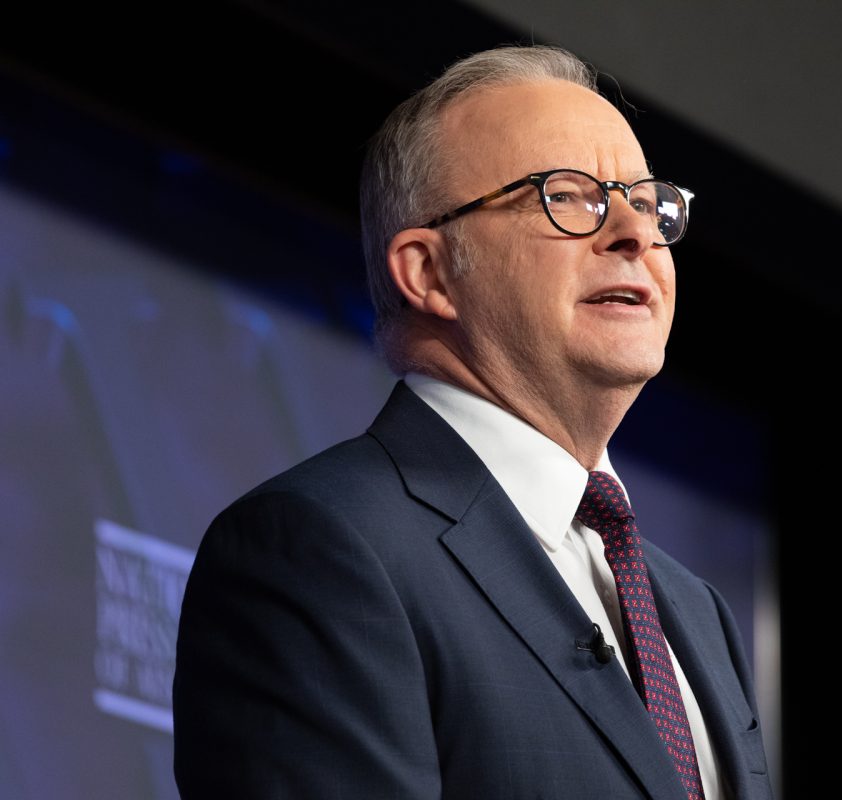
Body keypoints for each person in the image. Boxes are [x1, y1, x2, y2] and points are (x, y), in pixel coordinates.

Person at [173, 45, 772, 800]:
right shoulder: (321, 549)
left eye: (648, 203)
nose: (634, 233)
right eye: (568, 195)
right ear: (428, 271)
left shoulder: (695, 612)